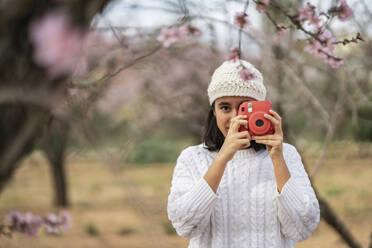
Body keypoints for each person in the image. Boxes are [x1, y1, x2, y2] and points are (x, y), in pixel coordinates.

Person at [167, 60, 320, 248]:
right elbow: (185, 226)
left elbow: (303, 228)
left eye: (244, 108)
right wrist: (222, 158)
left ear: (262, 109)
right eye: (225, 107)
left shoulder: (286, 154)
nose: (234, 118)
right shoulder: (192, 158)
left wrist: (278, 159)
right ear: (213, 112)